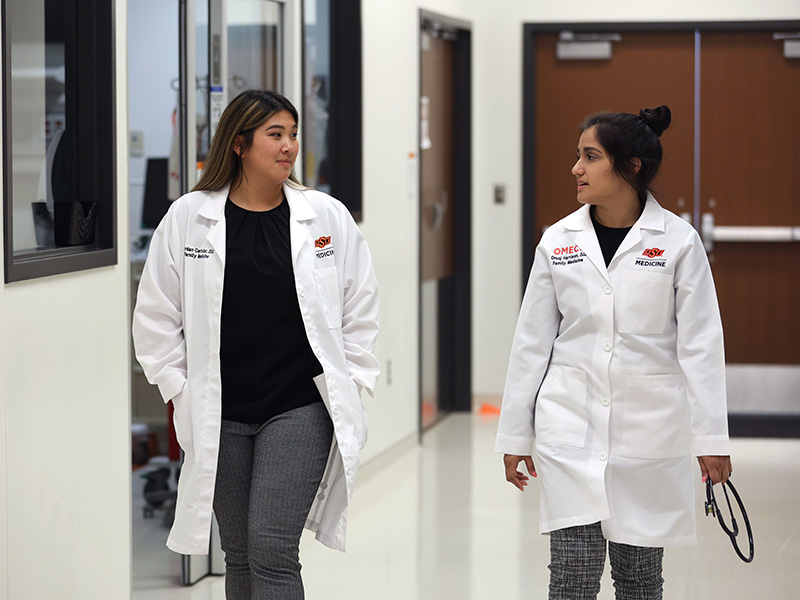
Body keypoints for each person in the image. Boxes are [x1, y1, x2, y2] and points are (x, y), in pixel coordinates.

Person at [133, 89, 380, 599]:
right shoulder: (188, 217)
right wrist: (179, 388)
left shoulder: (325, 217)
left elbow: (360, 307)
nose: (289, 146)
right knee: (239, 553)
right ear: (240, 144)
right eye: (276, 135)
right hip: (218, 409)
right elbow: (156, 316)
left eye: (293, 135)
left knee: (271, 548)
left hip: (298, 405)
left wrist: (351, 381)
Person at [495, 105, 731, 599]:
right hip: (569, 428)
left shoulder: (677, 243)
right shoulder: (558, 241)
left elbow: (701, 345)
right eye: (578, 156)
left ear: (630, 167)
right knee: (573, 579)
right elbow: (532, 342)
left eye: (590, 156)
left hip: (647, 434)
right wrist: (515, 433)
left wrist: (711, 437)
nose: (576, 168)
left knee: (640, 581)